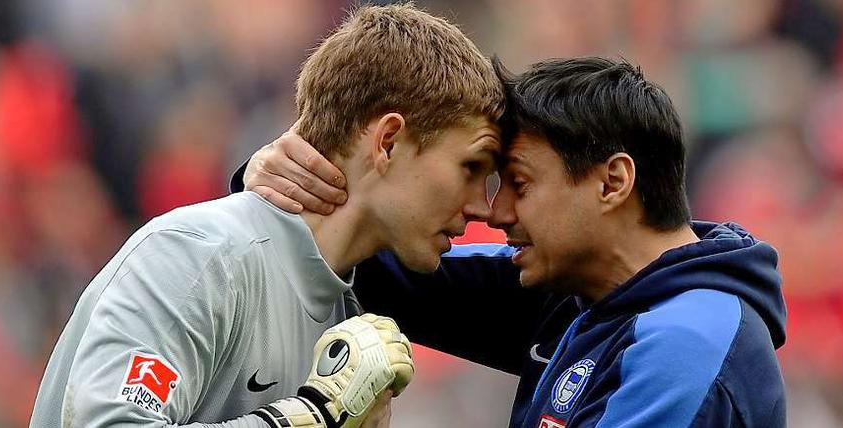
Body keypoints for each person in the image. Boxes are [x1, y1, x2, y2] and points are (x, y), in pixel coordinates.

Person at [237, 57, 788, 427]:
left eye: (519, 184)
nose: (496, 213)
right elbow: (366, 260)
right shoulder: (578, 293)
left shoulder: (686, 345)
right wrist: (282, 177)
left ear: (612, 183)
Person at [31, 4, 509, 427]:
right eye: (470, 168)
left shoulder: (351, 310)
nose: (480, 206)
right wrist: (306, 417)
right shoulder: (199, 257)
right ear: (387, 142)